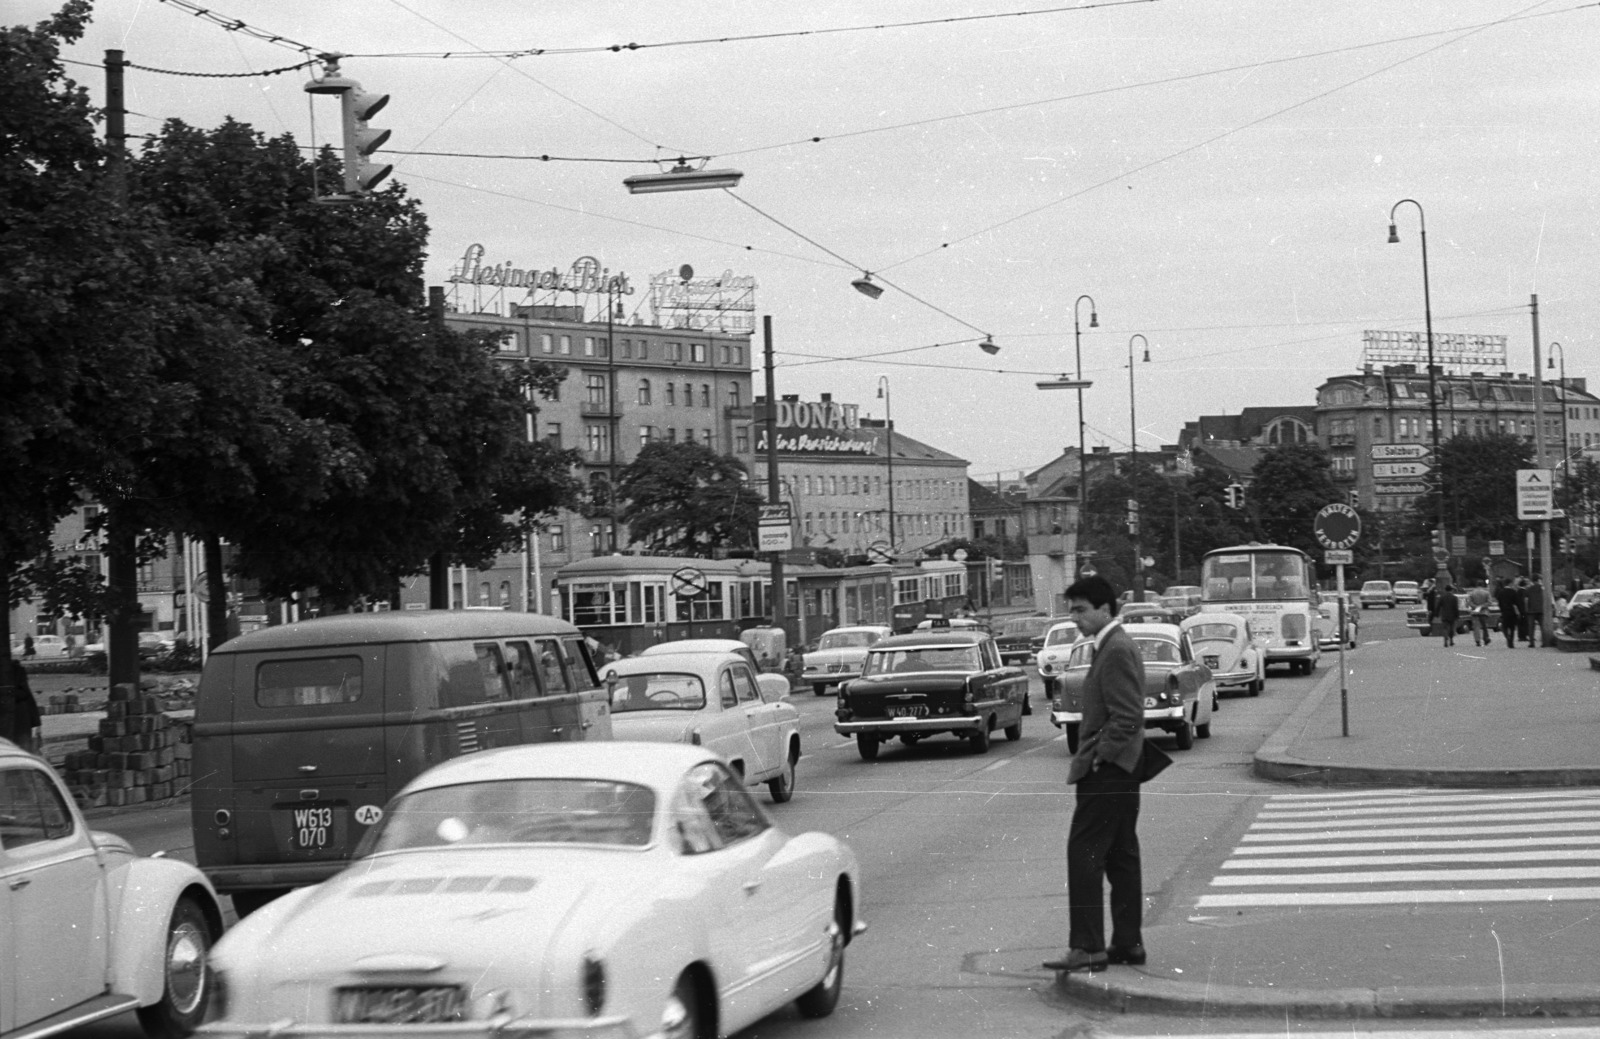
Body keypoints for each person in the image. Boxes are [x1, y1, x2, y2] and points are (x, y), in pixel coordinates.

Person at [1044, 574, 1146, 975]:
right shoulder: (1111, 646)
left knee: (1084, 855)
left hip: (1109, 771)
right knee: (1121, 857)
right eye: (1071, 609)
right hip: (1123, 769)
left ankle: (1087, 947)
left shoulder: (1116, 648)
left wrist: (1101, 757)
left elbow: (1128, 716)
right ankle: (1127, 942)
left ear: (1106, 609)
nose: (1074, 618)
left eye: (1081, 610)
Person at [1, 657, 41, 753]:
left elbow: (25, 694)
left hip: (18, 720)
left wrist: (36, 722)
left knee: (21, 751)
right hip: (10, 721)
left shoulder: (16, 671)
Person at [1494, 578, 1522, 649]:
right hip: (1512, 611)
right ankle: (1511, 643)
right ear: (1510, 583)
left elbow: (1499, 602)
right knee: (1512, 627)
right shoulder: (1513, 592)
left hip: (1504, 611)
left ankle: (1507, 637)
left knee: (1504, 627)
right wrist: (1519, 611)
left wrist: (1501, 609)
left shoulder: (1501, 592)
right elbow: (1517, 602)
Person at [1465, 580, 1493, 646]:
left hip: (1475, 612)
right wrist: (1482, 606)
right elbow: (1489, 602)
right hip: (1484, 612)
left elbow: (1469, 602)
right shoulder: (1486, 593)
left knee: (1476, 627)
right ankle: (1486, 638)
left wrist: (1475, 606)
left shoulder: (1472, 593)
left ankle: (1477, 641)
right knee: (1485, 626)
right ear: (1482, 585)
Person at [1436, 581, 1460, 647]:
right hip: (1452, 615)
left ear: (1445, 590)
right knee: (1452, 628)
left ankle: (1445, 640)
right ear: (1451, 590)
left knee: (1445, 628)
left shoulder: (1442, 597)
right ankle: (1451, 640)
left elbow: (1438, 606)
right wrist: (1457, 615)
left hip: (1444, 615)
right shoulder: (1454, 598)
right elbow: (1456, 607)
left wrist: (1437, 614)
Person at [1525, 575, 1546, 645]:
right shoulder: (1542, 588)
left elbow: (1526, 600)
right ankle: (1544, 642)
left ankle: (1531, 643)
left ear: (1532, 581)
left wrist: (1526, 609)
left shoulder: (1528, 589)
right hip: (1541, 609)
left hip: (1531, 610)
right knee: (1542, 626)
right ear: (1538, 580)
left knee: (1531, 627)